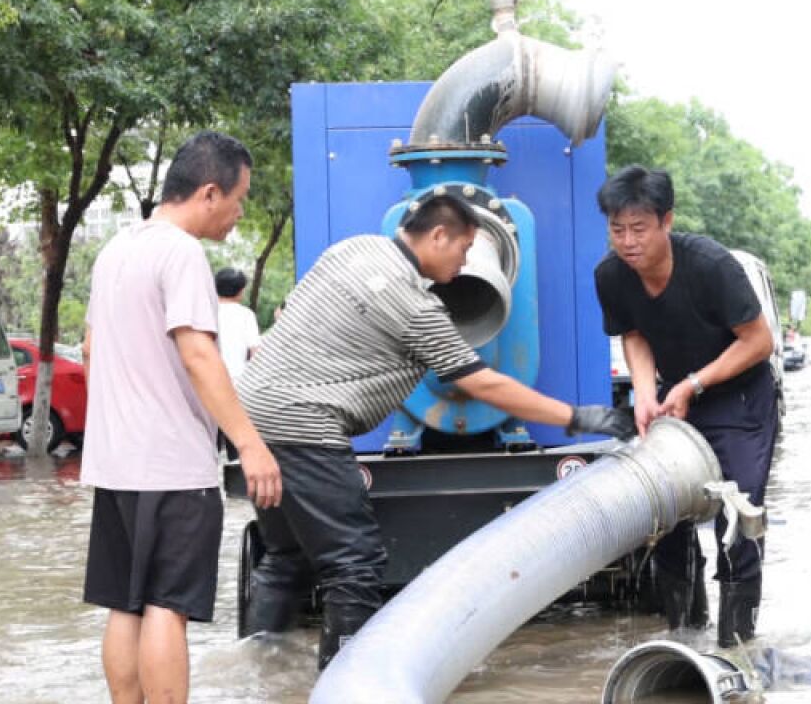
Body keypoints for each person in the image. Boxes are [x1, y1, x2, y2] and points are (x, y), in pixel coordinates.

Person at [237, 188, 635, 669]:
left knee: (286, 557)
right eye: (466, 250)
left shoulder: (350, 248)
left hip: (254, 416)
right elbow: (482, 383)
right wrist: (574, 417)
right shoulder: (413, 306)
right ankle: (346, 687)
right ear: (439, 234)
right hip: (303, 428)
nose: (466, 264)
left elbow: (290, 318)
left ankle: (257, 673)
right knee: (356, 564)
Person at [80, 131, 283, 704]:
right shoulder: (182, 252)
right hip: (171, 465)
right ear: (210, 192)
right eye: (239, 200)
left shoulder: (115, 250)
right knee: (168, 604)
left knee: (125, 602)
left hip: (116, 461)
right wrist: (250, 443)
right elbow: (198, 354)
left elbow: (92, 349)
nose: (239, 215)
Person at [591, 165, 780, 649]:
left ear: (666, 222)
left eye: (639, 228)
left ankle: (737, 646)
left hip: (739, 395)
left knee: (736, 517)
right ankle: (684, 641)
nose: (628, 242)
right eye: (617, 229)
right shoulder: (611, 276)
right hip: (676, 400)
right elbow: (632, 332)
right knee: (666, 515)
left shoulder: (710, 265)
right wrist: (645, 392)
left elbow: (759, 341)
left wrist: (694, 382)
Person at [214, 267, 261, 383]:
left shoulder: (207, 312)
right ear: (241, 291)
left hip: (210, 379)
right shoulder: (247, 315)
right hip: (238, 379)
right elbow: (256, 351)